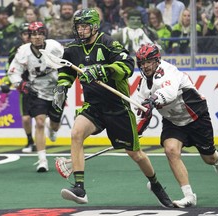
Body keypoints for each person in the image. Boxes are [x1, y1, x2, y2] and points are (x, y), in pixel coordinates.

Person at [53, 8, 173, 208]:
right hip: (94, 105)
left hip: (118, 106)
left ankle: (155, 184)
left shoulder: (108, 43)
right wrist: (61, 86)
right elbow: (66, 71)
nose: (80, 30)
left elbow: (127, 65)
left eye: (84, 26)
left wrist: (103, 70)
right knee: (76, 133)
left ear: (94, 26)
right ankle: (80, 188)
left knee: (135, 154)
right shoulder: (73, 48)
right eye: (78, 27)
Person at [135, 43, 218, 208]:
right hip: (173, 122)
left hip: (196, 117)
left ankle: (216, 160)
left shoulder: (169, 71)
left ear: (157, 60)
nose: (145, 66)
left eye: (149, 61)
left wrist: (153, 100)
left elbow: (169, 93)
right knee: (170, 150)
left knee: (208, 158)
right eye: (142, 62)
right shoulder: (143, 84)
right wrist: (135, 130)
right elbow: (140, 108)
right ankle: (189, 196)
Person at [8, 21, 64, 172]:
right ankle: (42, 160)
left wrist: (64, 81)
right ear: (29, 37)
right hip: (37, 91)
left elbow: (67, 64)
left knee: (55, 125)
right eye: (34, 34)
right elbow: (14, 71)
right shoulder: (23, 51)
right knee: (39, 122)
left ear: (45, 35)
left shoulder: (55, 47)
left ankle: (51, 128)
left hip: (57, 91)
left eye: (40, 33)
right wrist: (21, 84)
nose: (37, 37)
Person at [0, 22, 36, 153]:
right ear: (21, 35)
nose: (28, 36)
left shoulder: (41, 47)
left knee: (43, 119)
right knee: (26, 118)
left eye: (30, 33)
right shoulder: (15, 51)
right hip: (25, 87)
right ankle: (30, 141)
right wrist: (6, 83)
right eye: (25, 33)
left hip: (42, 87)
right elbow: (9, 70)